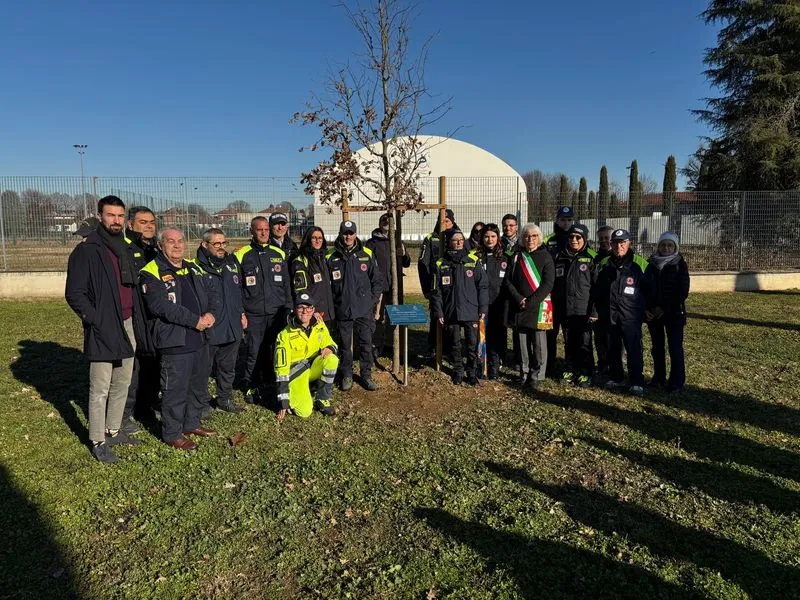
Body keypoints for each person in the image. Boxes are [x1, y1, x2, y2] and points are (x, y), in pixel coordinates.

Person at [65, 196, 141, 463]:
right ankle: (98, 439)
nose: (116, 221)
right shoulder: (88, 250)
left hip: (128, 322)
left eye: (120, 216)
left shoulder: (123, 247)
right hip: (103, 324)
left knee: (123, 380)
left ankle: (114, 428)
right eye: (111, 215)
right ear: (100, 216)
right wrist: (95, 319)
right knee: (101, 386)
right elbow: (75, 293)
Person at [140, 228, 219, 450]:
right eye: (171, 241)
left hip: (201, 338)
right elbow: (160, 306)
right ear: (160, 245)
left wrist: (211, 313)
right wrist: (195, 320)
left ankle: (191, 423)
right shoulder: (151, 271)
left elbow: (212, 293)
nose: (177, 245)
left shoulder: (193, 267)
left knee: (198, 385)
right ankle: (172, 433)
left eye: (180, 241)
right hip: (175, 341)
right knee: (175, 389)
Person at [235, 216, 294, 404]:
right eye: (259, 229)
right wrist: (241, 312)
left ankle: (270, 382)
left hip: (276, 313)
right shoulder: (242, 254)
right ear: (252, 231)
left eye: (266, 230)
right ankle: (251, 384)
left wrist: (288, 308)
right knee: (253, 351)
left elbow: (286, 285)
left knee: (275, 349)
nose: (263, 233)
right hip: (254, 314)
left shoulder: (279, 253)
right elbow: (236, 288)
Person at [594, 228, 652, 395]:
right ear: (611, 245)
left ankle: (636, 382)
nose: (619, 246)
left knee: (633, 349)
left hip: (631, 316)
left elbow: (650, 290)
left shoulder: (639, 265)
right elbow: (598, 290)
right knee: (613, 348)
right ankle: (616, 377)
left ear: (628, 244)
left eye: (622, 243)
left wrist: (646, 309)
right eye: (615, 243)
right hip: (611, 315)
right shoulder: (605, 265)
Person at [327, 220, 383, 391]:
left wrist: (371, 301)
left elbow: (377, 281)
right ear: (340, 234)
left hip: (363, 310)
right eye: (345, 233)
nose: (348, 236)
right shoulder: (330, 256)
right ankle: (347, 375)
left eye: (351, 233)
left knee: (366, 344)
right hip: (343, 310)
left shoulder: (366, 254)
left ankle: (366, 376)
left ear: (356, 234)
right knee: (345, 345)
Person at [196, 228, 246, 413]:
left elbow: (238, 291)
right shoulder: (196, 267)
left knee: (228, 367)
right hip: (210, 328)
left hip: (232, 325)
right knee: (203, 369)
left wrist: (241, 313)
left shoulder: (231, 263)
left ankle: (224, 399)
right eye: (216, 243)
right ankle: (200, 404)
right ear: (205, 244)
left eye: (223, 243)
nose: (221, 247)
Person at [431, 229, 488, 385]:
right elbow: (436, 292)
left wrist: (483, 308)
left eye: (461, 240)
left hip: (471, 310)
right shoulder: (440, 263)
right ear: (449, 242)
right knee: (454, 344)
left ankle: (471, 372)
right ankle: (458, 370)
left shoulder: (473, 261)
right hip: (451, 311)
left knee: (471, 343)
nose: (458, 242)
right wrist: (439, 311)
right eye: (455, 240)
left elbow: (482, 286)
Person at [121, 206, 160, 434]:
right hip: (132, 316)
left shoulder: (154, 250)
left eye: (152, 222)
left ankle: (145, 407)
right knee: (131, 370)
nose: (148, 226)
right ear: (130, 225)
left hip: (152, 316)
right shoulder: (124, 250)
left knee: (152, 363)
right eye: (143, 222)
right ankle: (124, 415)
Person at [503, 223, 555, 390]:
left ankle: (537, 375)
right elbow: (508, 281)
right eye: (527, 236)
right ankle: (524, 373)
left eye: (534, 236)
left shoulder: (546, 257)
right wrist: (519, 299)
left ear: (539, 238)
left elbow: (548, 284)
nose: (530, 239)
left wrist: (531, 301)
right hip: (520, 306)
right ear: (522, 238)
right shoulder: (517, 256)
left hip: (539, 306)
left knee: (539, 344)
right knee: (522, 343)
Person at [275, 293, 339, 419]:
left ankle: (322, 398)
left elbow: (331, 342)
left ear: (313, 310)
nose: (305, 311)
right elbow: (281, 369)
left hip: (312, 368)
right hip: (296, 375)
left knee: (332, 359)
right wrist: (283, 400)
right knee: (304, 412)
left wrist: (330, 348)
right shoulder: (284, 335)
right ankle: (296, 392)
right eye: (301, 307)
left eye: (308, 307)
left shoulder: (319, 324)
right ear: (295, 309)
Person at [551, 224, 597, 387]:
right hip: (565, 308)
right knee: (569, 340)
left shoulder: (592, 258)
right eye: (571, 237)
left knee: (584, 341)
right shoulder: (559, 256)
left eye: (578, 237)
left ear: (584, 239)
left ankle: (585, 372)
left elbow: (596, 287)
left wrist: (594, 311)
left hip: (584, 309)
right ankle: (570, 368)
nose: (574, 240)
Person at [646, 232, 690, 393]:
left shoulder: (679, 264)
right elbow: (645, 288)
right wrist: (649, 308)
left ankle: (676, 381)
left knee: (675, 347)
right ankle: (659, 378)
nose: (666, 248)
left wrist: (663, 308)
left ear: (675, 247)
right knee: (657, 347)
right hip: (654, 314)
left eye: (670, 245)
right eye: (663, 244)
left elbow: (682, 291)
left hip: (673, 314)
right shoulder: (650, 264)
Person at [365, 213, 410, 358]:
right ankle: (376, 344)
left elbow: (406, 263)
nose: (386, 223)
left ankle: (392, 344)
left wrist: (403, 254)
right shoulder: (372, 243)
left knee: (394, 316)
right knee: (377, 316)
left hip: (394, 287)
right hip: (378, 287)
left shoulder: (397, 241)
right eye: (383, 221)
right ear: (379, 223)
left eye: (389, 221)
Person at [418, 209, 458, 357]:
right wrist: (427, 289)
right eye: (441, 221)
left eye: (447, 221)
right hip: (437, 288)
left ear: (452, 221)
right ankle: (434, 347)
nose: (444, 224)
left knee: (453, 319)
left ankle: (451, 349)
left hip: (455, 288)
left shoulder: (458, 238)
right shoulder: (431, 238)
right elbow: (423, 265)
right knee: (437, 317)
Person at [543, 205, 575, 376]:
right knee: (550, 333)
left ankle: (569, 367)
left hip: (569, 296)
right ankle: (549, 365)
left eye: (569, 220)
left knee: (569, 335)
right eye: (563, 220)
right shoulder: (549, 240)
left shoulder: (577, 238)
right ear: (557, 220)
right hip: (552, 296)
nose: (566, 223)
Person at [476, 223, 508, 379]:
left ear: (498, 238)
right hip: (481, 304)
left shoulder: (504, 257)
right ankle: (481, 366)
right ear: (482, 238)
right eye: (487, 236)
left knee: (497, 336)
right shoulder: (475, 257)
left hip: (498, 304)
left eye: (493, 236)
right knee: (482, 335)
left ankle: (494, 367)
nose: (490, 239)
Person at [292, 227, 334, 323]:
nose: (317, 241)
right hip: (313, 315)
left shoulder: (324, 258)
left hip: (328, 313)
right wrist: (310, 310)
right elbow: (300, 291)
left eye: (320, 238)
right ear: (308, 239)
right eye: (314, 238)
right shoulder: (301, 261)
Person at [592, 225, 614, 380]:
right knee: (599, 338)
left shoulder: (621, 257)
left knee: (613, 338)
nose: (605, 241)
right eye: (602, 239)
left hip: (615, 306)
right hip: (599, 306)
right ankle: (602, 365)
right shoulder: (596, 258)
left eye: (607, 238)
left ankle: (614, 367)